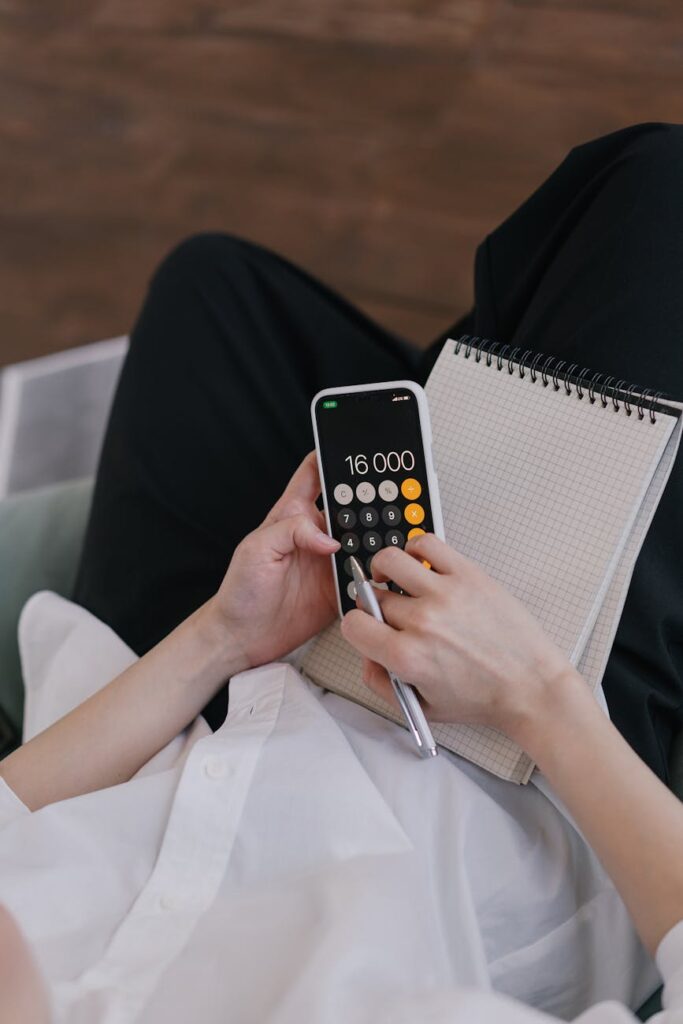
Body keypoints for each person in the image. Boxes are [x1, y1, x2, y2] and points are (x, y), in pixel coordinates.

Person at [0, 121, 682, 1023]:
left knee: (217, 288)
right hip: (489, 755)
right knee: (645, 192)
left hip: (173, 707)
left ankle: (474, 380)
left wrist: (222, 636)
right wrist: (533, 692)